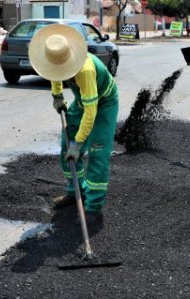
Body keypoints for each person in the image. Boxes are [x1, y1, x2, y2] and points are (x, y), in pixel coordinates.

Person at [28, 24, 119, 224]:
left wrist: (79, 144)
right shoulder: (55, 60)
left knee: (97, 151)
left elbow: (91, 111)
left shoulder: (85, 70)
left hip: (103, 103)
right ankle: (76, 190)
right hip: (84, 101)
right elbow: (54, 73)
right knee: (65, 146)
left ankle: (93, 207)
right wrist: (57, 95)